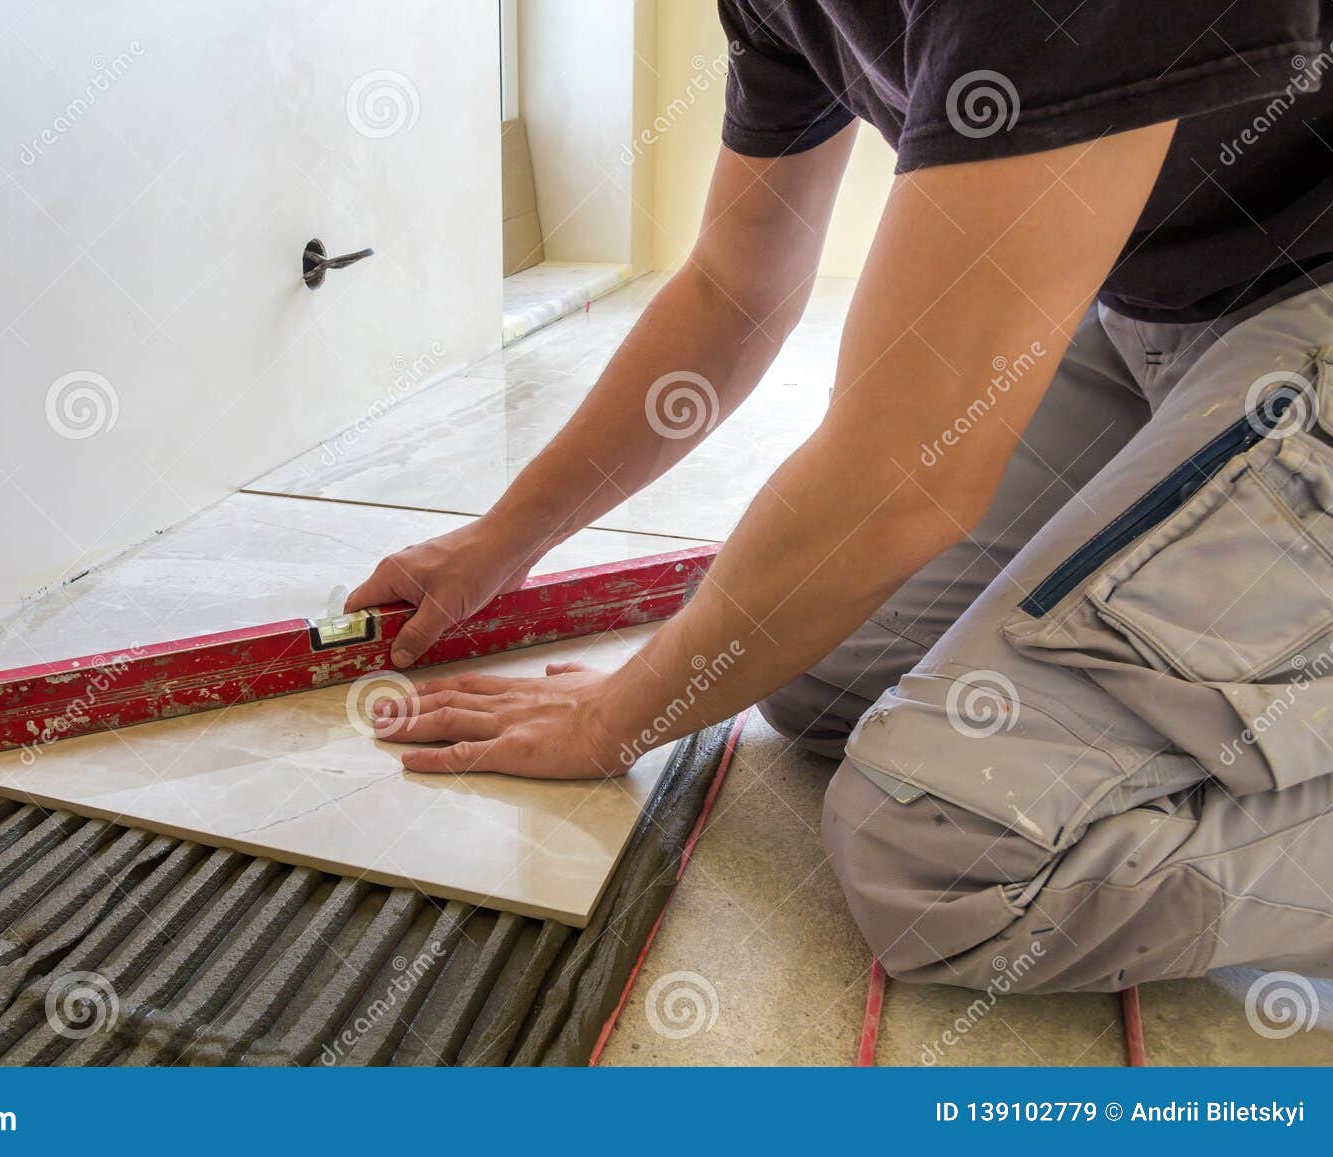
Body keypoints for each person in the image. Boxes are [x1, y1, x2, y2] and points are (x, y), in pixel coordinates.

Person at [346, 1, 1333, 993]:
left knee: (939, 859)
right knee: (823, 671)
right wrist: (500, 542)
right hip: (1164, 313)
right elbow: (732, 287)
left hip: (1308, 315)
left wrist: (615, 718)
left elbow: (907, 476)